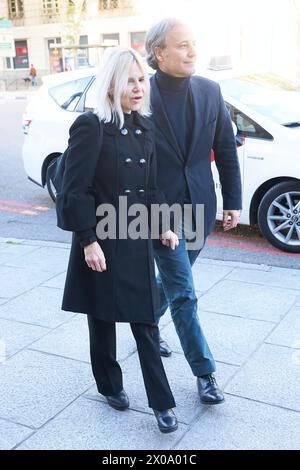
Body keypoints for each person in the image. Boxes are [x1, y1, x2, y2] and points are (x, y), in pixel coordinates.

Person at [55, 47, 179, 434]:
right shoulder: (91, 126)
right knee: (103, 318)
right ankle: (110, 385)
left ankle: (162, 404)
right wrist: (87, 240)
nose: (139, 87)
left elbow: (152, 187)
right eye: (130, 80)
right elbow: (73, 189)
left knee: (145, 322)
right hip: (102, 240)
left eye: (142, 80)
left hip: (136, 238)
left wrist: (164, 224)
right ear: (112, 83)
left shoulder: (145, 127)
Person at [145, 19, 242, 405]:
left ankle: (145, 323)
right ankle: (206, 374)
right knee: (183, 291)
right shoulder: (141, 93)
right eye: (182, 46)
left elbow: (226, 149)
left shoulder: (210, 89)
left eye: (193, 44)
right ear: (160, 53)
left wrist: (233, 200)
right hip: (157, 212)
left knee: (172, 281)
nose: (192, 51)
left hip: (200, 205)